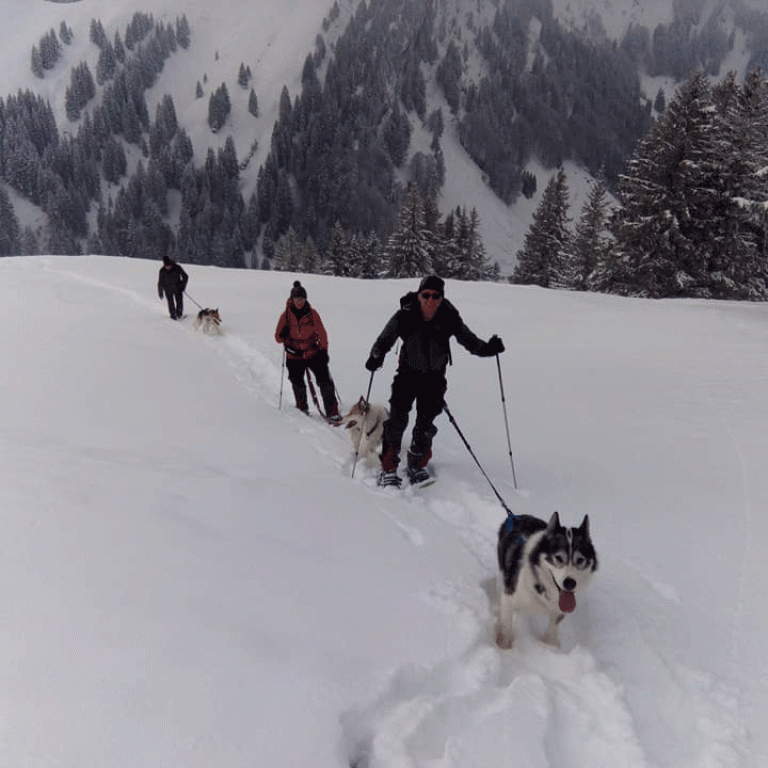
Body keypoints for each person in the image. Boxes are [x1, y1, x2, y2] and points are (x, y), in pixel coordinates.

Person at [365, 275, 504, 487]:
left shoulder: (449, 317)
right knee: (397, 421)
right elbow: (386, 337)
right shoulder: (405, 315)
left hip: (434, 380)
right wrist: (376, 355)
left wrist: (488, 349)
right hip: (407, 375)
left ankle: (417, 465)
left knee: (425, 424)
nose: (430, 300)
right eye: (426, 295)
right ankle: (389, 468)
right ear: (419, 295)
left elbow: (468, 340)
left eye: (436, 296)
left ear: (442, 298)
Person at [275, 281, 341, 423]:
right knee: (297, 381)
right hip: (293, 354)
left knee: (324, 380)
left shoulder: (313, 314)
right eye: (297, 299)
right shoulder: (285, 316)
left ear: (306, 299)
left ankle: (332, 412)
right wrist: (284, 334)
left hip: (312, 352)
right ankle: (302, 408)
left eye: (302, 299)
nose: (299, 302)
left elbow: (322, 334)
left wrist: (324, 351)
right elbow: (277, 338)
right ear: (292, 299)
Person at [158, 255, 189, 320]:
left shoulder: (177, 267)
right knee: (170, 302)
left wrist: (182, 286)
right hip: (168, 289)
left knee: (179, 301)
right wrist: (160, 291)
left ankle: (179, 314)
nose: (168, 267)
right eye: (166, 266)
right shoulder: (162, 271)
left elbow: (185, 276)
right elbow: (160, 282)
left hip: (178, 288)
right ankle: (173, 316)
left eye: (169, 266)